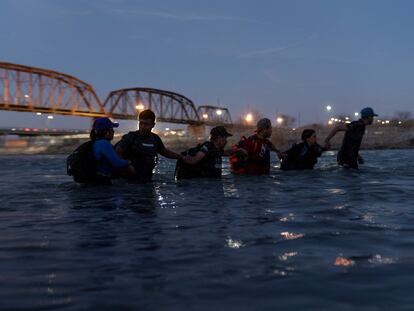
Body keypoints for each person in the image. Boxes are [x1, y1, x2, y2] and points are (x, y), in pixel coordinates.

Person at [116, 109, 183, 182]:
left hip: (147, 179)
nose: (142, 126)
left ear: (153, 125)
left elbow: (164, 152)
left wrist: (181, 157)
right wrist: (127, 165)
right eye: (141, 123)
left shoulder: (155, 138)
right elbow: (117, 153)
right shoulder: (131, 137)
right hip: (129, 181)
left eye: (146, 124)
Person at [91, 117, 135, 185]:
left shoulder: (95, 142)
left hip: (94, 181)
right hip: (101, 183)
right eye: (112, 129)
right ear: (106, 132)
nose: (113, 131)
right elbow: (117, 163)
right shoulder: (104, 143)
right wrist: (129, 162)